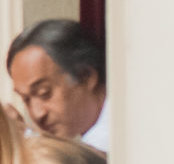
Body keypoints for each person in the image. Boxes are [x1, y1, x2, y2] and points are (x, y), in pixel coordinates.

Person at [6, 19, 110, 153]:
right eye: (26, 99)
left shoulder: (120, 134)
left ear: (86, 76)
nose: (37, 114)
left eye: (44, 93)